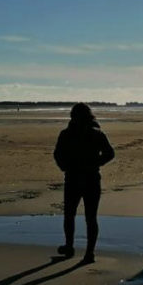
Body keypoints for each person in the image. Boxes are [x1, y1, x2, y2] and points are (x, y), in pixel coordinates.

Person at [53, 103, 115, 264]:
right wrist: (97, 163)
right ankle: (89, 253)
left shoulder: (66, 133)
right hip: (91, 178)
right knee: (90, 218)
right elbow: (110, 153)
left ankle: (69, 246)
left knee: (69, 215)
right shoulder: (97, 133)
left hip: (73, 178)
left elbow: (58, 154)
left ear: (72, 116)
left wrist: (65, 167)